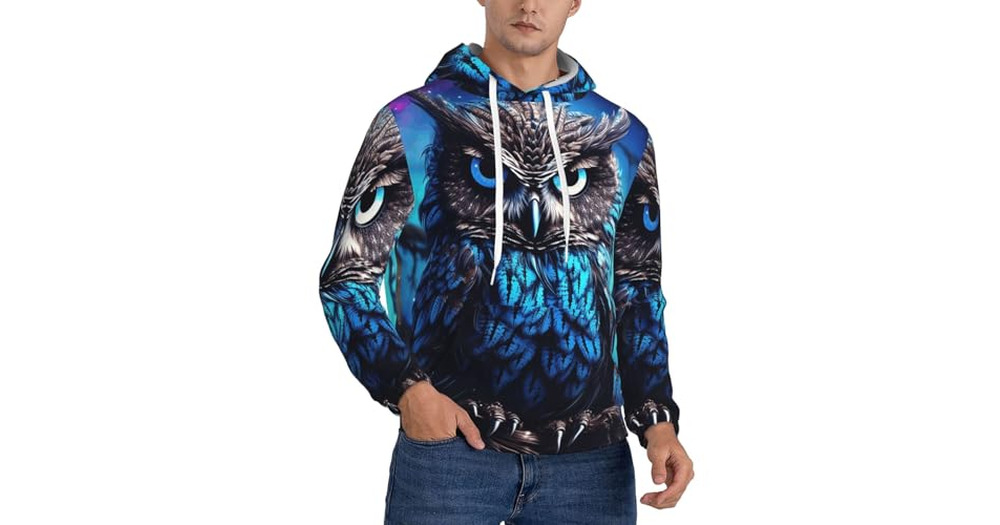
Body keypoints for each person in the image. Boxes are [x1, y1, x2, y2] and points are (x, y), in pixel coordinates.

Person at [318, 1, 694, 523]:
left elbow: (638, 291)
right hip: (452, 451)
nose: (529, 4)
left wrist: (657, 419)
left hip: (591, 462)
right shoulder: (414, 120)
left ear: (575, 2)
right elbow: (347, 278)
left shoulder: (623, 136)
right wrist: (408, 391)